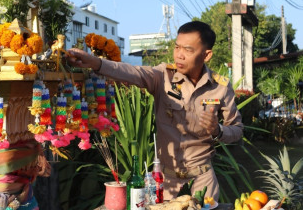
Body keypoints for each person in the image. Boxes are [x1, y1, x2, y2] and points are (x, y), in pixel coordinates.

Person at [66, 21, 243, 201]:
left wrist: (217, 130)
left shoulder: (220, 87)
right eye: (177, 47)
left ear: (206, 55)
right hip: (166, 183)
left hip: (203, 182)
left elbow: (237, 130)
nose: (179, 55)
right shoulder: (163, 76)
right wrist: (97, 63)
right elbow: (132, 72)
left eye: (188, 50)